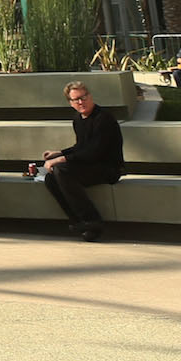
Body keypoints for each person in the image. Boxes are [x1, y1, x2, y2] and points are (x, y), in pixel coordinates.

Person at [37, 81, 123, 241]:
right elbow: (81, 147)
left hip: (108, 169)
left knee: (61, 170)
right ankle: (80, 221)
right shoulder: (78, 119)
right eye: (76, 100)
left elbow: (94, 152)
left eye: (83, 97)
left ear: (90, 96)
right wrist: (59, 153)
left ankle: (92, 219)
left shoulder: (104, 118)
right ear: (71, 103)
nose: (81, 102)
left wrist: (60, 160)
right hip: (90, 166)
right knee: (50, 178)